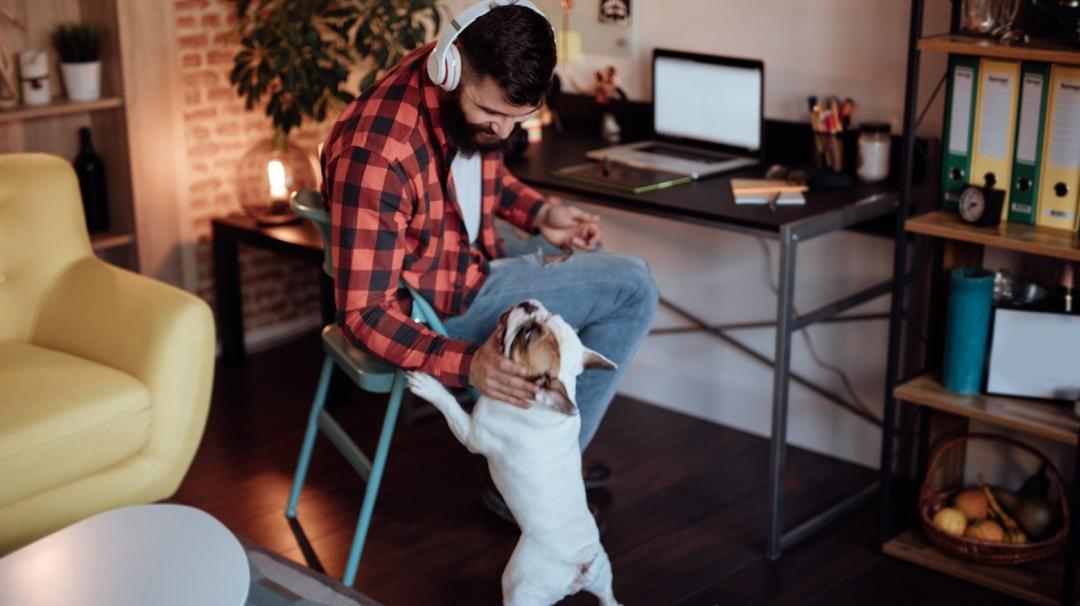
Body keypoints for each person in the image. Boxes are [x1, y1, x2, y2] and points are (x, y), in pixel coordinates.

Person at [320, 0, 657, 520]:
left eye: (516, 118)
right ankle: (542, 477)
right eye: (492, 114)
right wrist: (465, 363)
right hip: (434, 306)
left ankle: (532, 452)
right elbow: (364, 315)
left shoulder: (460, 91)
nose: (501, 131)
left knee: (598, 262)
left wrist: (541, 212)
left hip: (462, 254)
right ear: (450, 70)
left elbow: (480, 175)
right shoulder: (378, 152)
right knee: (632, 285)